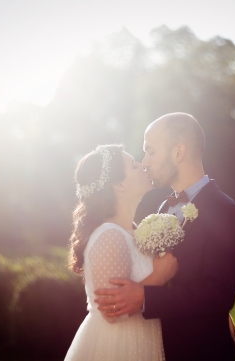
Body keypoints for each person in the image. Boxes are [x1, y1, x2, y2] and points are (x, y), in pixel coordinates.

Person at [94, 113, 235, 360]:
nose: (145, 162)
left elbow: (218, 295)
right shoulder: (164, 210)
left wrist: (145, 297)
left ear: (178, 153)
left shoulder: (225, 211)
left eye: (151, 152)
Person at [65, 144, 178, 361]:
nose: (144, 165)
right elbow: (113, 312)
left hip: (142, 340)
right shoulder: (109, 235)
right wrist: (159, 276)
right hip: (119, 347)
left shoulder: (132, 231)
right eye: (135, 166)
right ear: (118, 184)